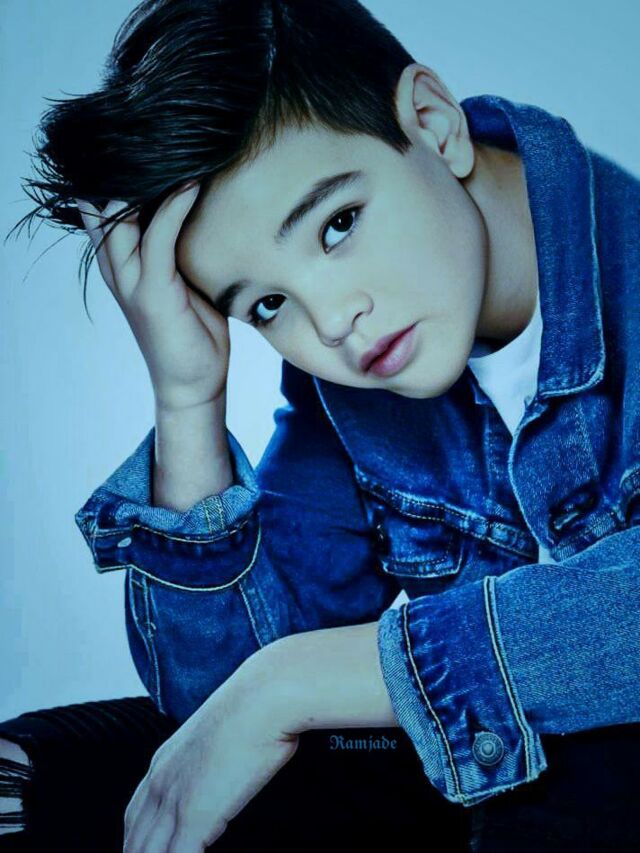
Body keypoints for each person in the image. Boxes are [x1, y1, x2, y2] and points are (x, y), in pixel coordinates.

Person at [1, 0, 640, 850]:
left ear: (432, 123)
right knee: (45, 777)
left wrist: (297, 679)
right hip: (483, 788)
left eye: (338, 225)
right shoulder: (356, 373)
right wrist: (187, 397)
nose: (333, 321)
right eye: (269, 303)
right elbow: (219, 711)